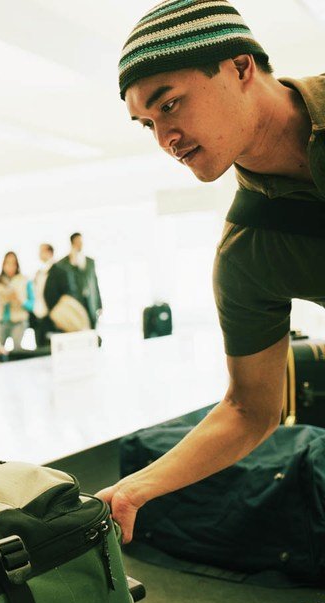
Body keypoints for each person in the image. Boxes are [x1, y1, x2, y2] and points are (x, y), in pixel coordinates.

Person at [97, 0, 325, 543]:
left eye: (170, 104)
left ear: (241, 67)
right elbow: (249, 409)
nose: (165, 139)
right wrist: (135, 489)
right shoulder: (247, 253)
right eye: (148, 123)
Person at [57, 233, 103, 328]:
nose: (80, 244)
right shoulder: (63, 263)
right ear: (72, 243)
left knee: (93, 330)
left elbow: (95, 283)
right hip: (75, 304)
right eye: (77, 242)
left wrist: (99, 304)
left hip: (91, 302)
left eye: (81, 242)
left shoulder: (90, 261)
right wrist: (72, 262)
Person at [0, 251, 34, 351]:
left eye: (13, 263)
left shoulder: (25, 281)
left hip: (18, 322)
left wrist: (19, 299)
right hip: (2, 322)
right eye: (7, 263)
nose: (10, 266)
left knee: (17, 349)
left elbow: (32, 305)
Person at [31, 243, 55, 347]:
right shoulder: (39, 273)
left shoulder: (58, 271)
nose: (39, 254)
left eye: (41, 251)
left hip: (51, 318)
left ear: (49, 252)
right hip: (38, 319)